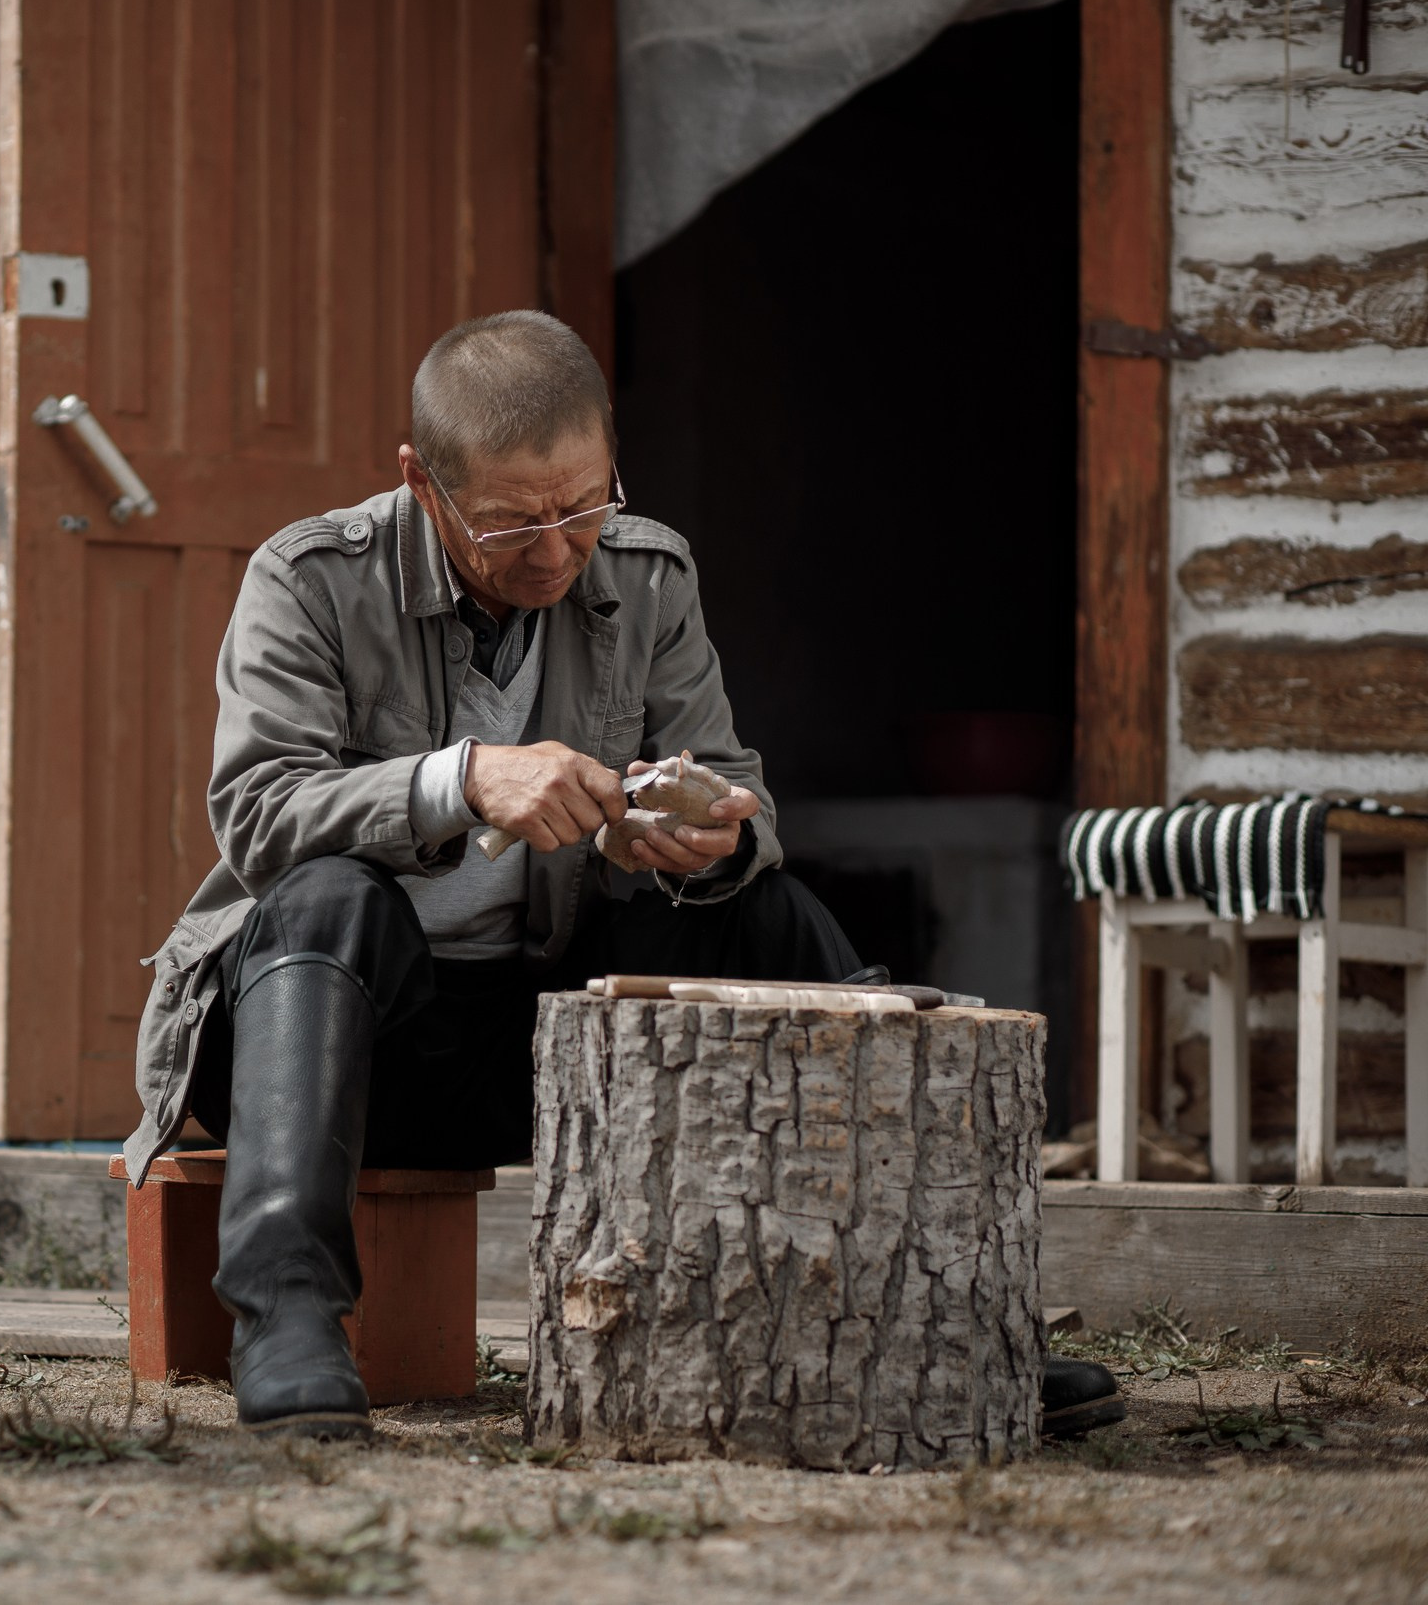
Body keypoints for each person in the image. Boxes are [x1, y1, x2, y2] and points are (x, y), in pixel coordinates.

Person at [120, 310, 1123, 1441]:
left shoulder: (648, 575)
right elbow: (259, 815)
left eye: (583, 505)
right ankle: (287, 1318)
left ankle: (945, 1321)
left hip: (545, 1048)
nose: (554, 550)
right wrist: (463, 780)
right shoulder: (307, 579)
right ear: (419, 480)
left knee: (766, 909)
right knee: (325, 897)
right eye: (510, 521)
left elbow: (738, 785)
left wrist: (707, 840)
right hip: (325, 1048)